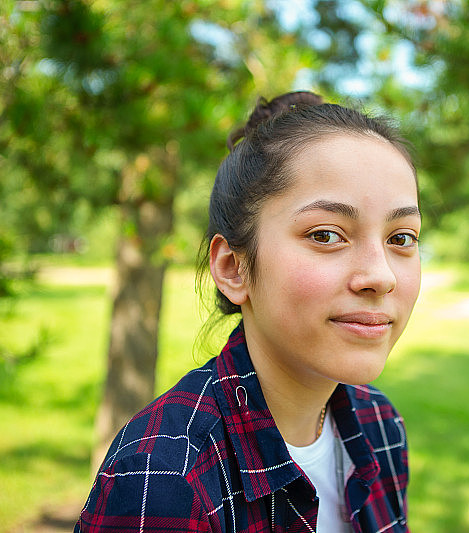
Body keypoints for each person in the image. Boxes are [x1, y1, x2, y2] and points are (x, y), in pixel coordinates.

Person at [75, 91, 421, 533]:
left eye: (402, 238)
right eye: (326, 234)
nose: (381, 276)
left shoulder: (380, 426)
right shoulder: (164, 481)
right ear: (234, 268)